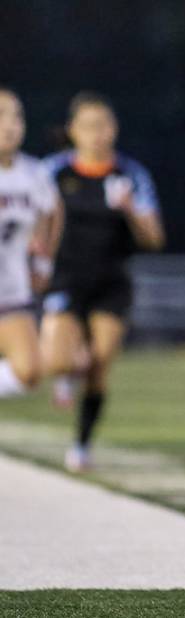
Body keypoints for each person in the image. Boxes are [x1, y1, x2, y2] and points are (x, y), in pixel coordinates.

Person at [41, 91, 165, 473]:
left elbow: (154, 239)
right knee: (60, 360)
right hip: (65, 278)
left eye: (104, 125)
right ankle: (66, 373)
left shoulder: (130, 175)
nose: (98, 134)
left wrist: (130, 210)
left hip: (111, 280)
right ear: (73, 131)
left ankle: (81, 444)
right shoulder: (52, 172)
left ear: (114, 129)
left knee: (99, 363)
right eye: (89, 126)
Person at [0, 87, 60, 399]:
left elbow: (51, 212)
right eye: (1, 116)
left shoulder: (33, 173)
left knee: (29, 372)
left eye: (17, 117)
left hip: (11, 290)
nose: (10, 125)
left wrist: (43, 259)